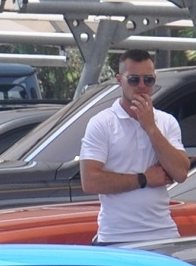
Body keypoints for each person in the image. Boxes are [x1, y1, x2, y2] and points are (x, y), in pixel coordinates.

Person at [78, 51, 190, 246]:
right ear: (119, 80)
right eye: (133, 80)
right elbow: (90, 181)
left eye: (148, 80)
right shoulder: (102, 123)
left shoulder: (166, 122)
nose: (141, 86)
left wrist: (150, 128)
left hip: (163, 235)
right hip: (116, 238)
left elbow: (180, 172)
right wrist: (143, 179)